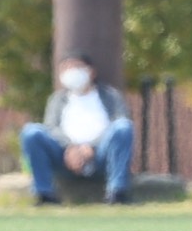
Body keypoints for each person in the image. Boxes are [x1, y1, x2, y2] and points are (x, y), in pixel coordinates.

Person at [21, 51, 134, 205]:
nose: (71, 72)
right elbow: (51, 127)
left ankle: (117, 193)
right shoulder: (57, 100)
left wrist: (92, 147)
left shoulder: (110, 96)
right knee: (31, 132)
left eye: (76, 67)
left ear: (91, 71)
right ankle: (44, 194)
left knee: (123, 127)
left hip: (100, 156)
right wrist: (70, 148)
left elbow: (120, 123)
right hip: (64, 156)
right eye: (66, 69)